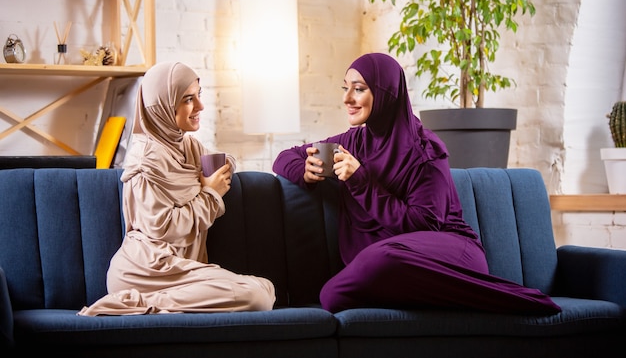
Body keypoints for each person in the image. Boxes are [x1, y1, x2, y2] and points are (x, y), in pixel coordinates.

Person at [272, 53, 561, 315]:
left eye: (359, 89)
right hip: (385, 263)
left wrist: (361, 180)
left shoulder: (426, 151)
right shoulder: (351, 142)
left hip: (447, 252)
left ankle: (513, 300)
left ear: (385, 93)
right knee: (333, 294)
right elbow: (284, 157)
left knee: (378, 259)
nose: (347, 98)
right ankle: (427, 298)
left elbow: (423, 223)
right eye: (344, 87)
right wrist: (306, 172)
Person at [79, 61, 276, 316]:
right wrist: (209, 193)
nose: (200, 107)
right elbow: (165, 227)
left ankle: (148, 302)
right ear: (161, 106)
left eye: (198, 96)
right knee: (257, 296)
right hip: (146, 269)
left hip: (180, 268)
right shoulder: (145, 161)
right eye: (187, 100)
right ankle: (137, 300)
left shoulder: (185, 145)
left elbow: (226, 163)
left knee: (265, 289)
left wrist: (216, 172)